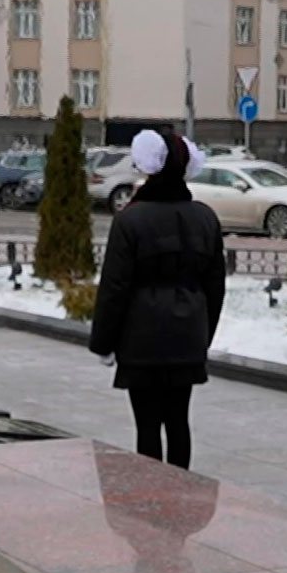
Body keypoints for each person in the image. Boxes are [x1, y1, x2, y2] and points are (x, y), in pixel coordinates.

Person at [89, 129, 226, 469]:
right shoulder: (205, 218)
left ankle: (153, 501)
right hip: (187, 338)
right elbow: (215, 287)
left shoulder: (130, 220)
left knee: (147, 425)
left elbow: (115, 288)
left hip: (141, 341)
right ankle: (182, 493)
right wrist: (202, 334)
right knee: (179, 421)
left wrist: (103, 342)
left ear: (148, 166)